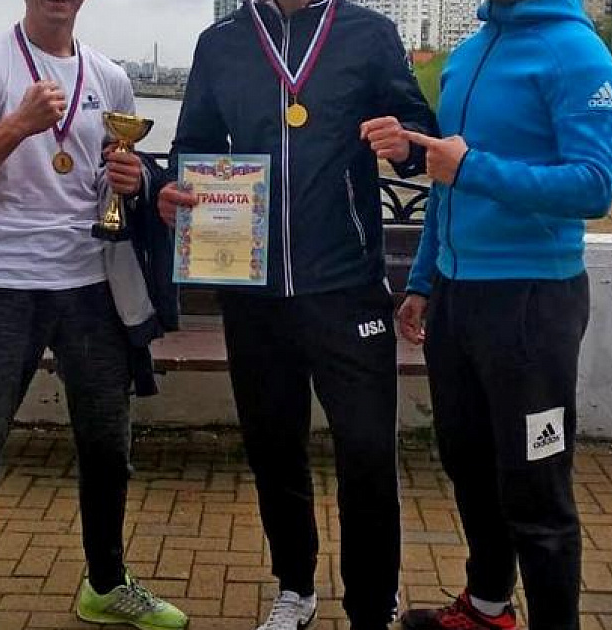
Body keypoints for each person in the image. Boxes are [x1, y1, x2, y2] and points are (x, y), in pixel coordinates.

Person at [158, 1, 437, 629]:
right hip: (252, 294)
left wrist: (404, 145)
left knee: (366, 451)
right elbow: (193, 146)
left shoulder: (370, 33)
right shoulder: (221, 41)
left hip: (347, 287)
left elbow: (419, 133)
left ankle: (372, 602)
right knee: (273, 449)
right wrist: (174, 189)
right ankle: (295, 587)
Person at [0, 1, 186, 629]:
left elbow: (116, 177)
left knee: (107, 449)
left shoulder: (109, 76)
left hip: (90, 284)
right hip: (1, 284)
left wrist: (133, 179)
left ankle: (106, 584)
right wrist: (18, 125)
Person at [395, 0, 612, 627]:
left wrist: (473, 167)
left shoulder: (577, 53)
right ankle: (487, 607)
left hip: (531, 302)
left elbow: (595, 184)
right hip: (456, 295)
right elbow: (447, 185)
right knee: (468, 465)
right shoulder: (468, 54)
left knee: (536, 487)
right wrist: (423, 281)